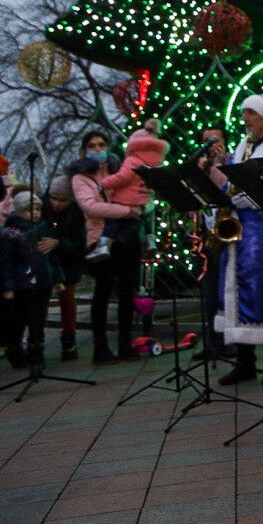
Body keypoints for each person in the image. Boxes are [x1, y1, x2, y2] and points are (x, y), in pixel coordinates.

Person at [208, 96, 263, 387]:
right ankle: (245, 361)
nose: (245, 118)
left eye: (251, 112)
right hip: (240, 230)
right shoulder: (243, 146)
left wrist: (256, 195)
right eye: (244, 112)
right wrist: (223, 166)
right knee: (235, 293)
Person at [69, 131, 145, 364]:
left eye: (101, 144)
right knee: (102, 293)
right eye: (92, 145)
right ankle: (100, 347)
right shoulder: (80, 178)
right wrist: (126, 211)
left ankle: (125, 344)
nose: (97, 148)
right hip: (99, 240)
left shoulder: (117, 170)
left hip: (126, 239)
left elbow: (135, 193)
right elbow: (91, 206)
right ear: (84, 151)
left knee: (127, 292)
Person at [96, 121, 168, 261]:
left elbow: (122, 177)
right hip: (143, 201)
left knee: (113, 221)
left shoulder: (133, 160)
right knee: (146, 220)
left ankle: (104, 244)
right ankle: (150, 241)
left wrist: (103, 184)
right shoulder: (156, 164)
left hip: (125, 200)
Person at [1, 190, 53, 376]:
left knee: (38, 321)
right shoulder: (11, 234)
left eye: (38, 209)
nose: (36, 213)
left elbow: (48, 258)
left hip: (41, 283)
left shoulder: (40, 229)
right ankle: (15, 352)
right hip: (22, 284)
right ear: (20, 211)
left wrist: (56, 278)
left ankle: (37, 354)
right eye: (30, 210)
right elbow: (6, 262)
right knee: (19, 320)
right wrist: (7, 286)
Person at [192, 126, 231, 364]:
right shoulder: (198, 165)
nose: (211, 144)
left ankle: (230, 342)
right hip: (205, 235)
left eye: (215, 139)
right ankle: (212, 342)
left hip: (225, 233)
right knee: (208, 294)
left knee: (225, 292)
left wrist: (215, 165)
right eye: (206, 140)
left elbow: (225, 189)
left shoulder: (230, 161)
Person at [42, 176, 86, 361]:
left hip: (68, 261)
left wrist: (59, 243)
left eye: (62, 200)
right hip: (45, 260)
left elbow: (79, 242)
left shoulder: (76, 215)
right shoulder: (43, 210)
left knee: (67, 298)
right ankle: (37, 339)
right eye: (53, 198)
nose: (57, 204)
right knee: (40, 299)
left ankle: (69, 336)